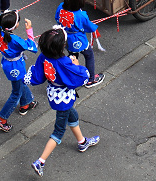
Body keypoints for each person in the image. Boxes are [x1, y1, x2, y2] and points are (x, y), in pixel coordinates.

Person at [25, 27, 100, 177]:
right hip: (63, 98)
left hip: (53, 94)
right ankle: (41, 161)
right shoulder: (64, 62)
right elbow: (79, 76)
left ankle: (82, 142)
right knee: (58, 132)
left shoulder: (43, 57)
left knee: (72, 116)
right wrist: (77, 63)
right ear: (62, 46)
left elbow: (37, 76)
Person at [0, 10, 38, 133]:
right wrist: (29, 30)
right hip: (16, 66)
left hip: (7, 63)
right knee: (16, 93)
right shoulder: (15, 39)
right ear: (15, 26)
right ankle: (2, 119)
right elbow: (32, 47)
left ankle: (26, 103)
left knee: (21, 83)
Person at [55, 0, 104, 88]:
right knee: (89, 55)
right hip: (78, 39)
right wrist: (94, 26)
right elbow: (89, 27)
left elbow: (57, 18)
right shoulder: (81, 15)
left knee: (72, 57)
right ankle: (91, 79)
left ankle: (69, 77)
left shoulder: (60, 7)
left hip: (66, 38)